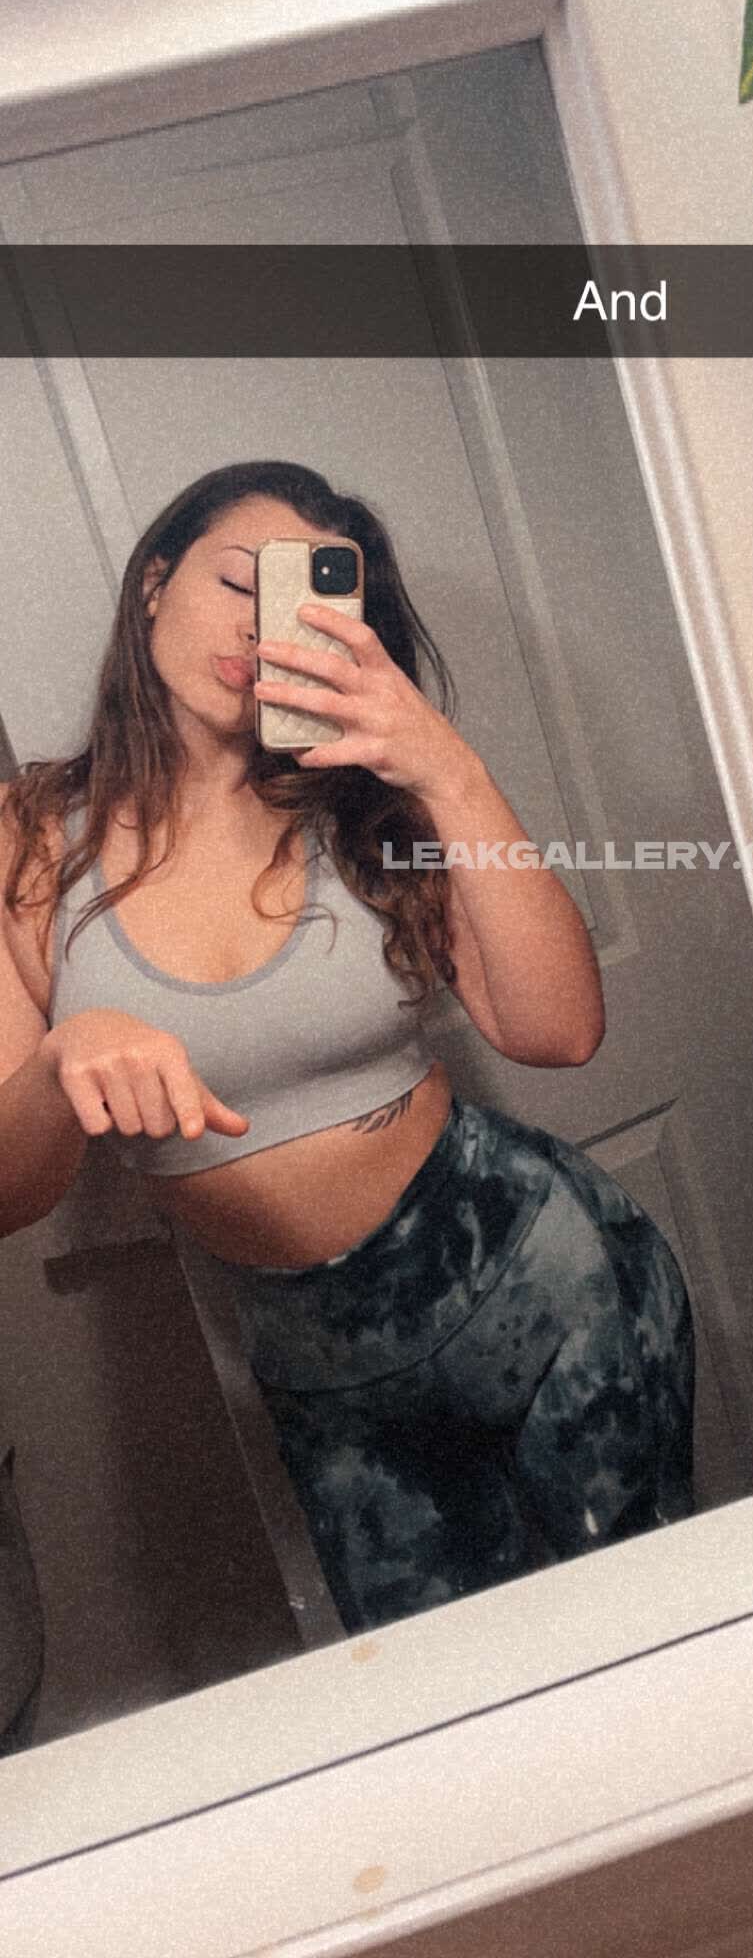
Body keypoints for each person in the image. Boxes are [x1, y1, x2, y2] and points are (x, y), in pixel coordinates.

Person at [0, 462, 695, 1634]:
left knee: (653, 1627)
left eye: (304, 609)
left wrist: (445, 768)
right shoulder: (27, 837)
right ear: (155, 582)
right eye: (238, 583)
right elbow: (9, 1193)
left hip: (541, 1274)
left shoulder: (370, 805)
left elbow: (559, 1029)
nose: (258, 629)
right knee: (445, 1686)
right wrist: (64, 1061)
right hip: (320, 1372)